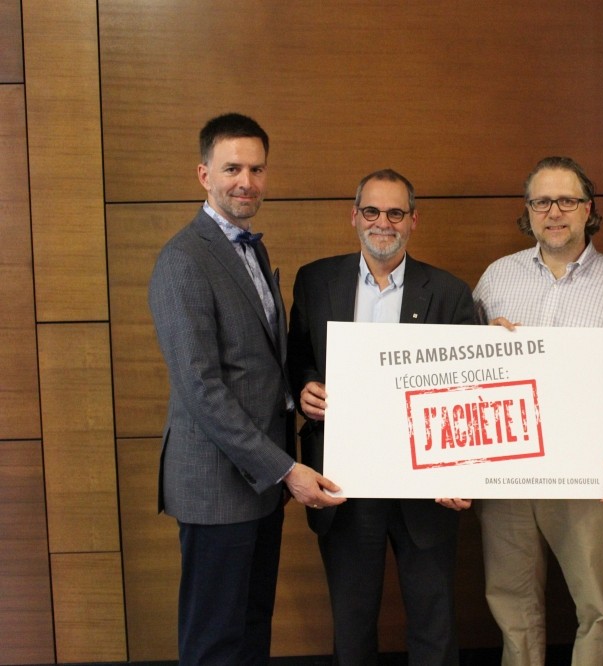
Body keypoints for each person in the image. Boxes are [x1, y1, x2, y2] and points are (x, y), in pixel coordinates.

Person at [148, 112, 342, 665]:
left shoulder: (249, 248)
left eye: (257, 169)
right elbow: (201, 388)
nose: (247, 181)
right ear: (203, 174)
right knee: (215, 641)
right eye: (232, 167)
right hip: (217, 487)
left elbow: (260, 362)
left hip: (258, 486)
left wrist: (299, 390)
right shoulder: (184, 260)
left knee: (253, 625)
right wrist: (285, 468)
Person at [287, 168, 475, 665]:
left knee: (434, 626)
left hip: (427, 488)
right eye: (371, 211)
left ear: (414, 221)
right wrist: (305, 387)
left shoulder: (452, 294)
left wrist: (464, 472)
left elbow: (468, 394)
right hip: (345, 484)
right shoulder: (315, 281)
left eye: (395, 213)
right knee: (351, 628)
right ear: (354, 217)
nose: (383, 223)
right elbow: (298, 358)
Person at [473, 156, 603, 666]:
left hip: (584, 475)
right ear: (527, 212)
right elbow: (465, 371)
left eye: (567, 200)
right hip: (507, 472)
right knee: (510, 598)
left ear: (588, 209)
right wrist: (484, 343)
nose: (555, 212)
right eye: (542, 201)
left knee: (597, 604)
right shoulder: (495, 279)